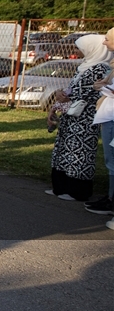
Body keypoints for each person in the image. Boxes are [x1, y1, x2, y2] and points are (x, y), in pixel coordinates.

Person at [48, 34, 113, 201]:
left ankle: (77, 190)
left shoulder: (100, 68)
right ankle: (61, 186)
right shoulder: (85, 66)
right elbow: (75, 87)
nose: (77, 51)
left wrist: (70, 95)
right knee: (65, 149)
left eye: (80, 48)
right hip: (72, 114)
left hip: (85, 117)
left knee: (79, 152)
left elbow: (93, 90)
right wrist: (61, 95)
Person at [85, 29, 114, 223]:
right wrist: (103, 86)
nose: (104, 43)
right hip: (108, 114)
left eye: (108, 39)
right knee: (110, 161)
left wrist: (105, 87)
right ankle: (111, 197)